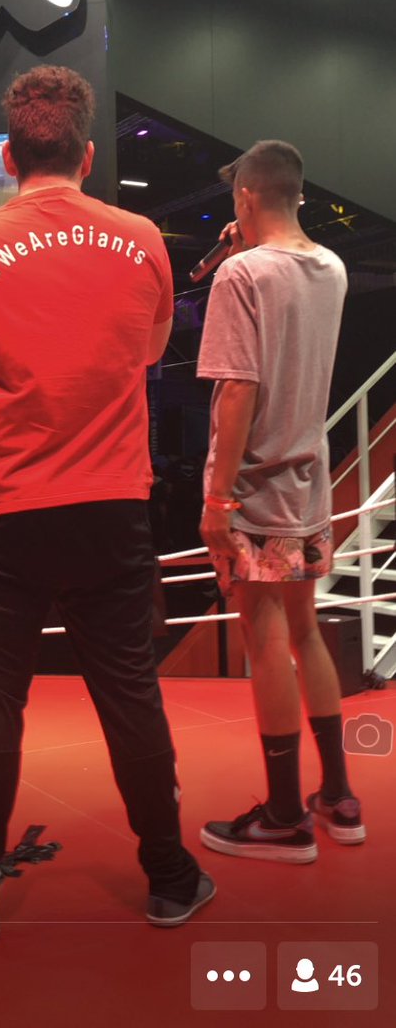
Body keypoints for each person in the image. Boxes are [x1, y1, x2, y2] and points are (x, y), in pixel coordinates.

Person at [0, 65, 214, 944]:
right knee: (130, 697)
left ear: (8, 157)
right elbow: (147, 351)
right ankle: (170, 878)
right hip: (110, 508)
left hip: (0, 513)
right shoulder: (143, 238)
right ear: (86, 156)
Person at [196, 139, 364, 864]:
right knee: (306, 631)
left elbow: (238, 389)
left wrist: (217, 498)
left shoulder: (240, 274)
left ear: (245, 197)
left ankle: (285, 816)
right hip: (310, 486)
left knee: (264, 637)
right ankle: (338, 797)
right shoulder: (332, 266)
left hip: (255, 491)